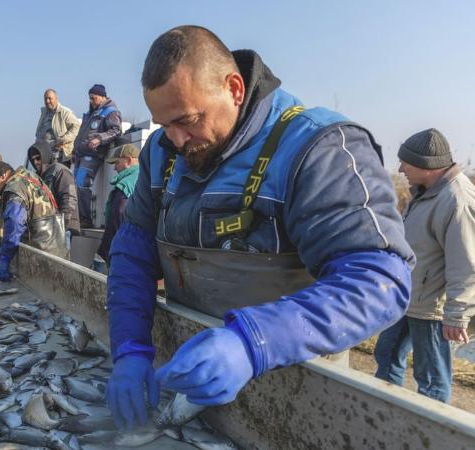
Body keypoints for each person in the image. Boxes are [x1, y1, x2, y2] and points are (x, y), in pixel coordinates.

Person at [105, 26, 414, 431]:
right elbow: (133, 253)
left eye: (187, 120)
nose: (176, 140)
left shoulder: (316, 148)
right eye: (164, 125)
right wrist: (129, 348)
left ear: (233, 88)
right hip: (190, 379)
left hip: (296, 390)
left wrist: (252, 342)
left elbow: (379, 281)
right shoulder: (162, 154)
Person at [374, 129, 475, 403]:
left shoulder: (458, 200)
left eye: (405, 162)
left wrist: (456, 315)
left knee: (431, 378)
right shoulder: (426, 192)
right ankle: (384, 417)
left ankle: (430, 436)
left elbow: (466, 263)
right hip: (410, 297)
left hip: (433, 307)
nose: (401, 168)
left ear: (426, 165)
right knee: (386, 354)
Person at [0, 160, 67, 281]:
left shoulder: (14, 189)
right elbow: (30, 200)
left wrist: (4, 259)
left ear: (3, 176)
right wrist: (1, 204)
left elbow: (15, 225)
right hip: (58, 248)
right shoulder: (28, 175)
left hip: (41, 254)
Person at [72, 84, 123, 228]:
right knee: (74, 187)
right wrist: (74, 151)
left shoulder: (110, 111)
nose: (91, 101)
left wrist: (99, 139)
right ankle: (76, 219)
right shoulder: (91, 113)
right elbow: (82, 134)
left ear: (102, 96)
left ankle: (85, 219)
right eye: (90, 98)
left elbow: (116, 130)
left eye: (93, 98)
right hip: (80, 156)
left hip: (92, 155)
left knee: (82, 184)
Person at [96, 144, 139, 266]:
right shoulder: (145, 178)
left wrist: (104, 252)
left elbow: (116, 221)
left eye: (117, 163)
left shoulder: (125, 185)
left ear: (129, 161)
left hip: (124, 252)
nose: (115, 168)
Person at [27, 139, 80, 235]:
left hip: (63, 228)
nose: (35, 162)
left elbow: (69, 200)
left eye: (38, 158)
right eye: (33, 159)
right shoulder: (39, 176)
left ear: (45, 155)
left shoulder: (61, 171)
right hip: (49, 228)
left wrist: (61, 226)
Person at [35, 89, 81, 165]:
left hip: (58, 155)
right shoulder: (44, 112)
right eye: (45, 99)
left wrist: (63, 140)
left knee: (55, 175)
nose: (47, 101)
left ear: (56, 98)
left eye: (50, 98)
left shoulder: (65, 112)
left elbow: (76, 127)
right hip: (44, 154)